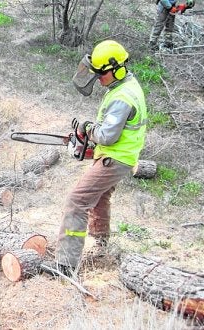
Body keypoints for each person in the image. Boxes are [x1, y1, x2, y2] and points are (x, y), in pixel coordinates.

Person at [44, 40, 148, 277]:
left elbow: (108, 136)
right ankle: (101, 245)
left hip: (116, 157)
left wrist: (89, 129)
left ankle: (65, 265)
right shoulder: (126, 86)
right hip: (121, 155)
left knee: (76, 201)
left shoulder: (122, 97)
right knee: (100, 198)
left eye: (102, 74)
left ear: (117, 69)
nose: (99, 79)